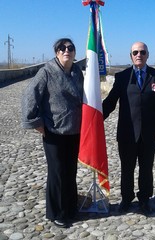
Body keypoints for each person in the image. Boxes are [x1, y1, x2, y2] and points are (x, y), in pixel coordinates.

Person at [21, 38, 84, 228]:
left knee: (70, 171)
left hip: (74, 130)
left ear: (74, 52)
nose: (67, 51)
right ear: (56, 52)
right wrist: (36, 123)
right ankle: (56, 212)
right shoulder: (46, 72)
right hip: (54, 132)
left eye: (70, 48)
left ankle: (71, 207)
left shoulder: (77, 72)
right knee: (57, 173)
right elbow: (29, 96)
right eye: (62, 48)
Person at [103, 42, 155, 215]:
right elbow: (111, 101)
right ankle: (126, 198)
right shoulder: (122, 77)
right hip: (127, 133)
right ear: (130, 55)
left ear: (147, 54)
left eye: (142, 52)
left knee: (146, 168)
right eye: (135, 52)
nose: (139, 54)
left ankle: (145, 199)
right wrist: (96, 117)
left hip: (149, 133)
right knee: (127, 168)